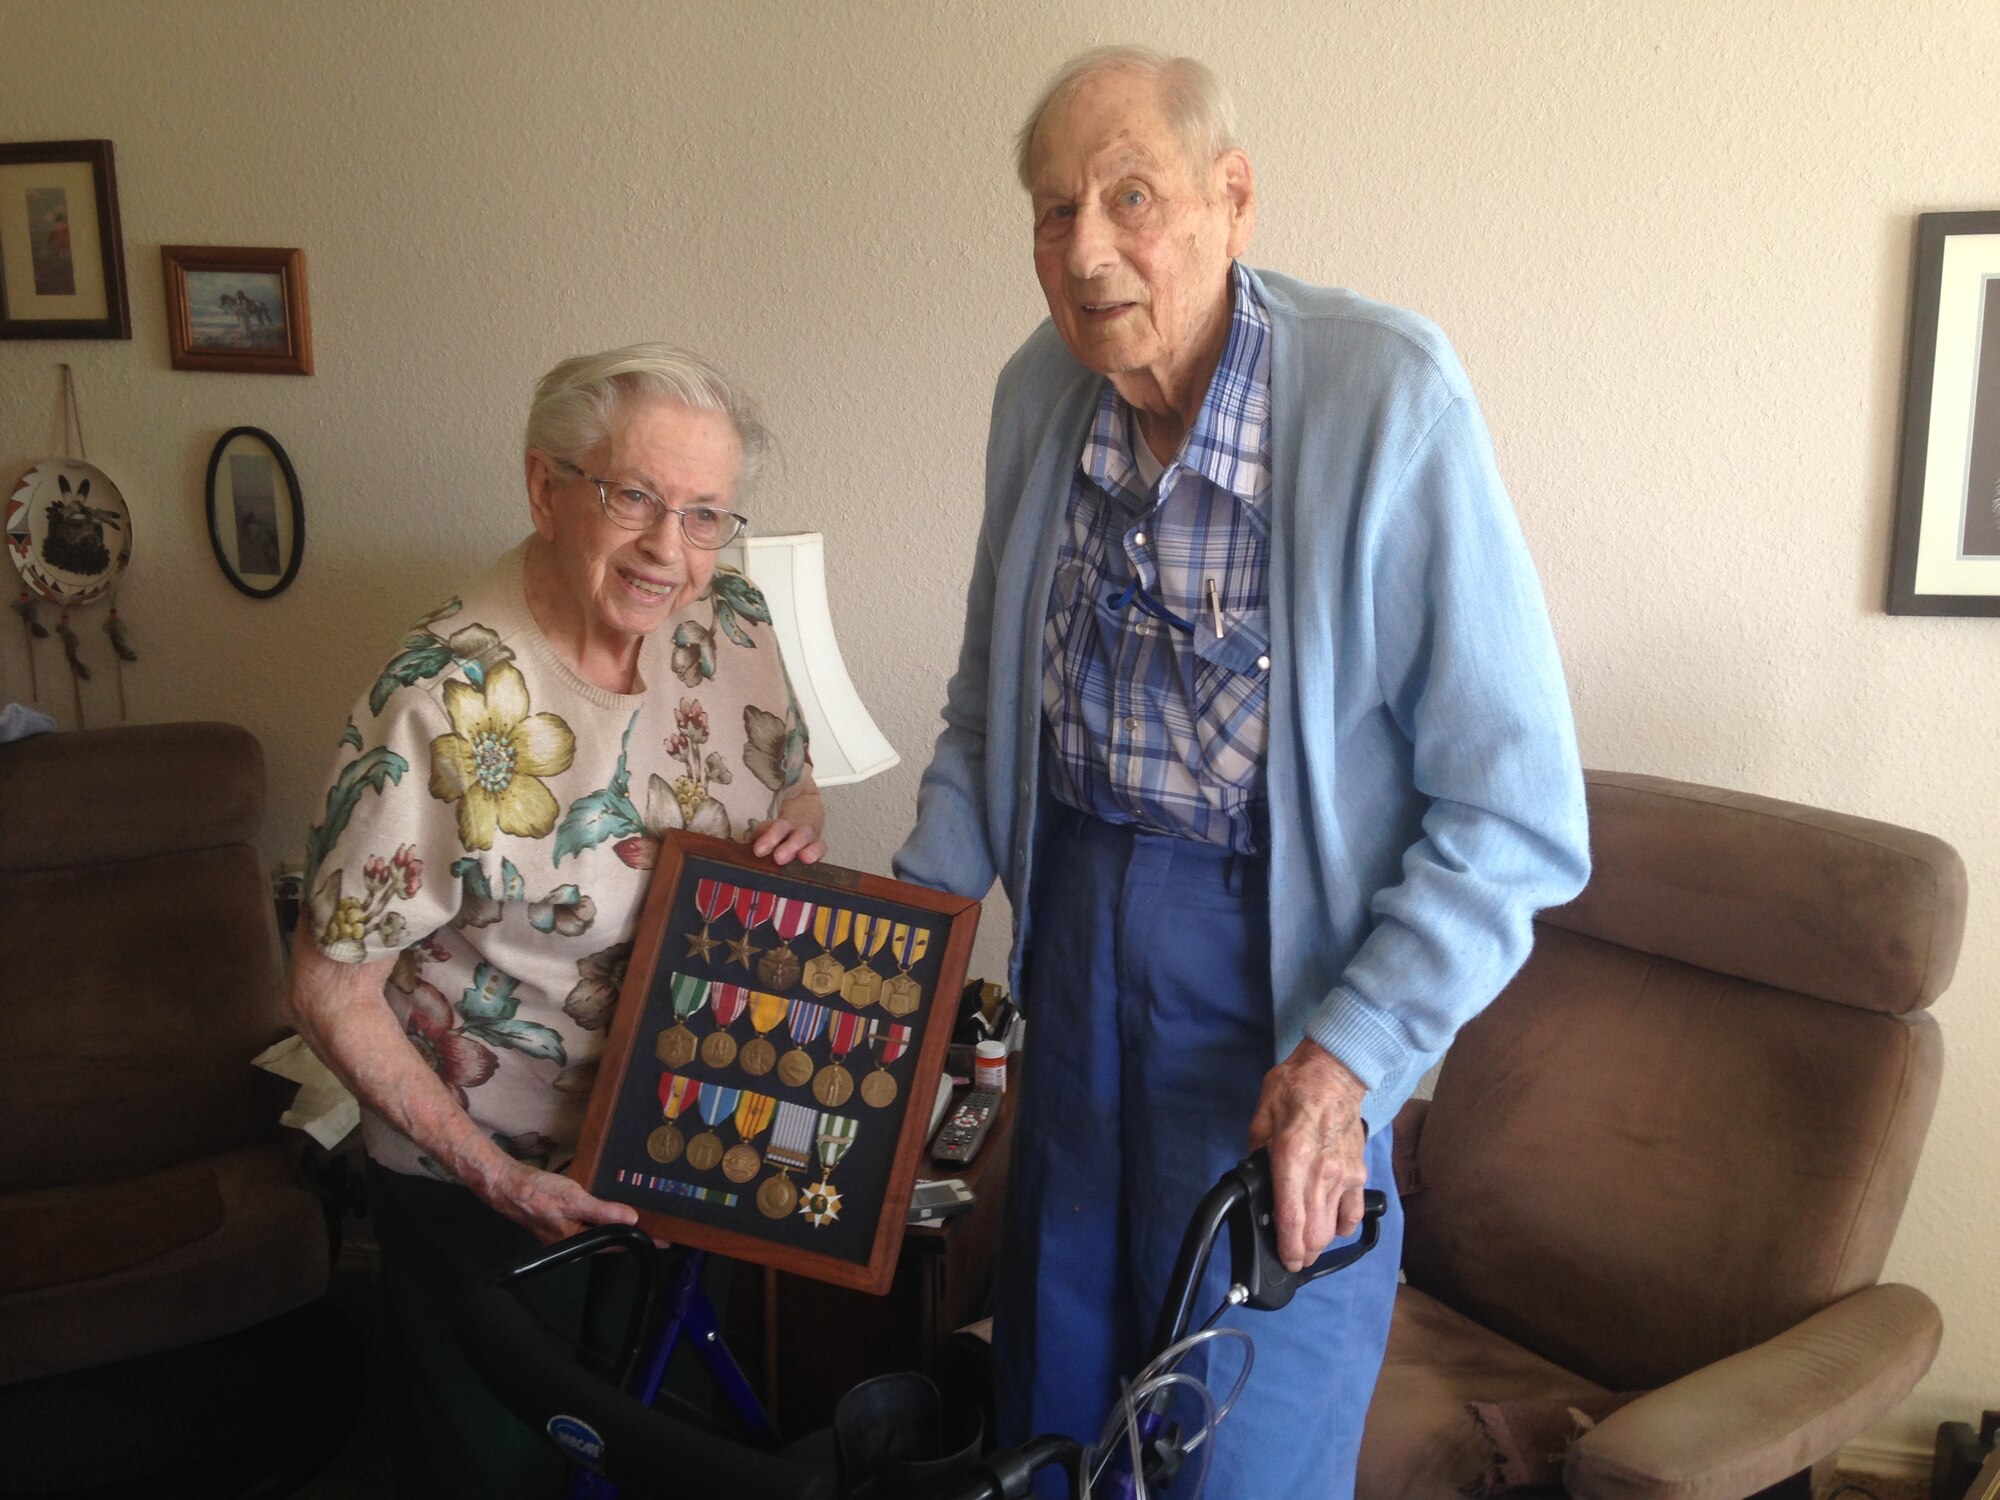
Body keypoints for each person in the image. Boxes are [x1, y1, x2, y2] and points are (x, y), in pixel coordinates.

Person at [892, 48, 1591, 1497]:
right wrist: (897, 944)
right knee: (1059, 1419)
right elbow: (985, 714)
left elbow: (1515, 816)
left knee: (1243, 1439)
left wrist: (1348, 1065)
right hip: (1072, 968)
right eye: (1051, 210)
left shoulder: (1385, 399)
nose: (1085, 251)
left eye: (1129, 197)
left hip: (1281, 1005)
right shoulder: (1039, 394)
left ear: (1233, 201)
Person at [288, 344, 824, 1499]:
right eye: (632, 497)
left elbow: (784, 777)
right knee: (511, 1470)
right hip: (490, 1180)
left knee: (669, 1454)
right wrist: (495, 1177)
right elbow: (329, 988)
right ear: (545, 488)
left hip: (687, 1141)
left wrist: (797, 820)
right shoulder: (442, 700)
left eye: (703, 514)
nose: (666, 551)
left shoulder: (725, 615)